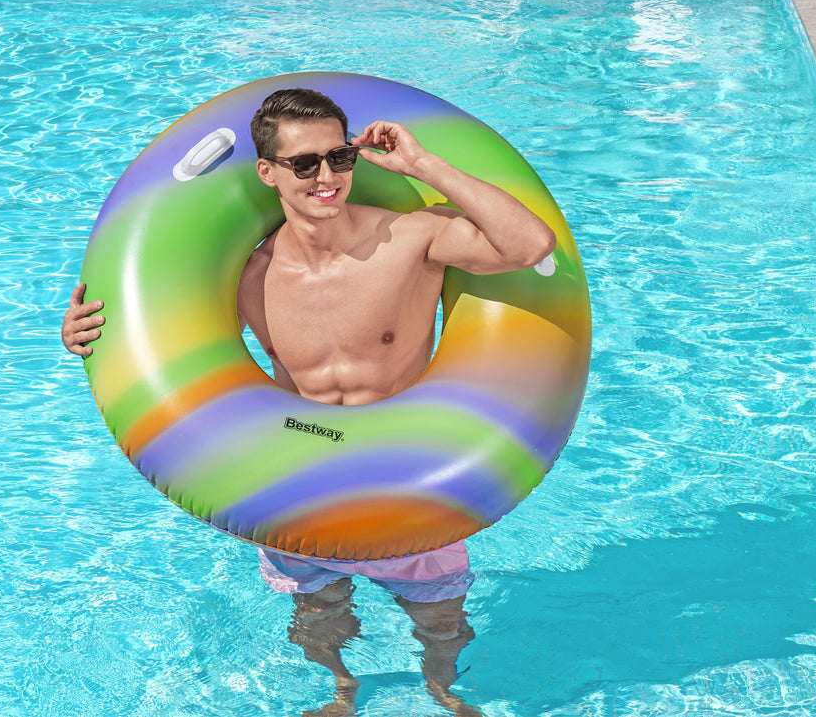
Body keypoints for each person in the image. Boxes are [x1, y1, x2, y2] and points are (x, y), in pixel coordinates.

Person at [62, 88, 555, 717]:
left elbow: (528, 245)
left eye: (339, 157)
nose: (327, 177)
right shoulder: (247, 275)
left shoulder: (410, 238)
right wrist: (84, 337)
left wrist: (421, 165)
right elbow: (162, 353)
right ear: (267, 172)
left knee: (441, 619)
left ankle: (442, 691)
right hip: (298, 483)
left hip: (409, 479)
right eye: (304, 163)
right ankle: (343, 691)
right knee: (318, 614)